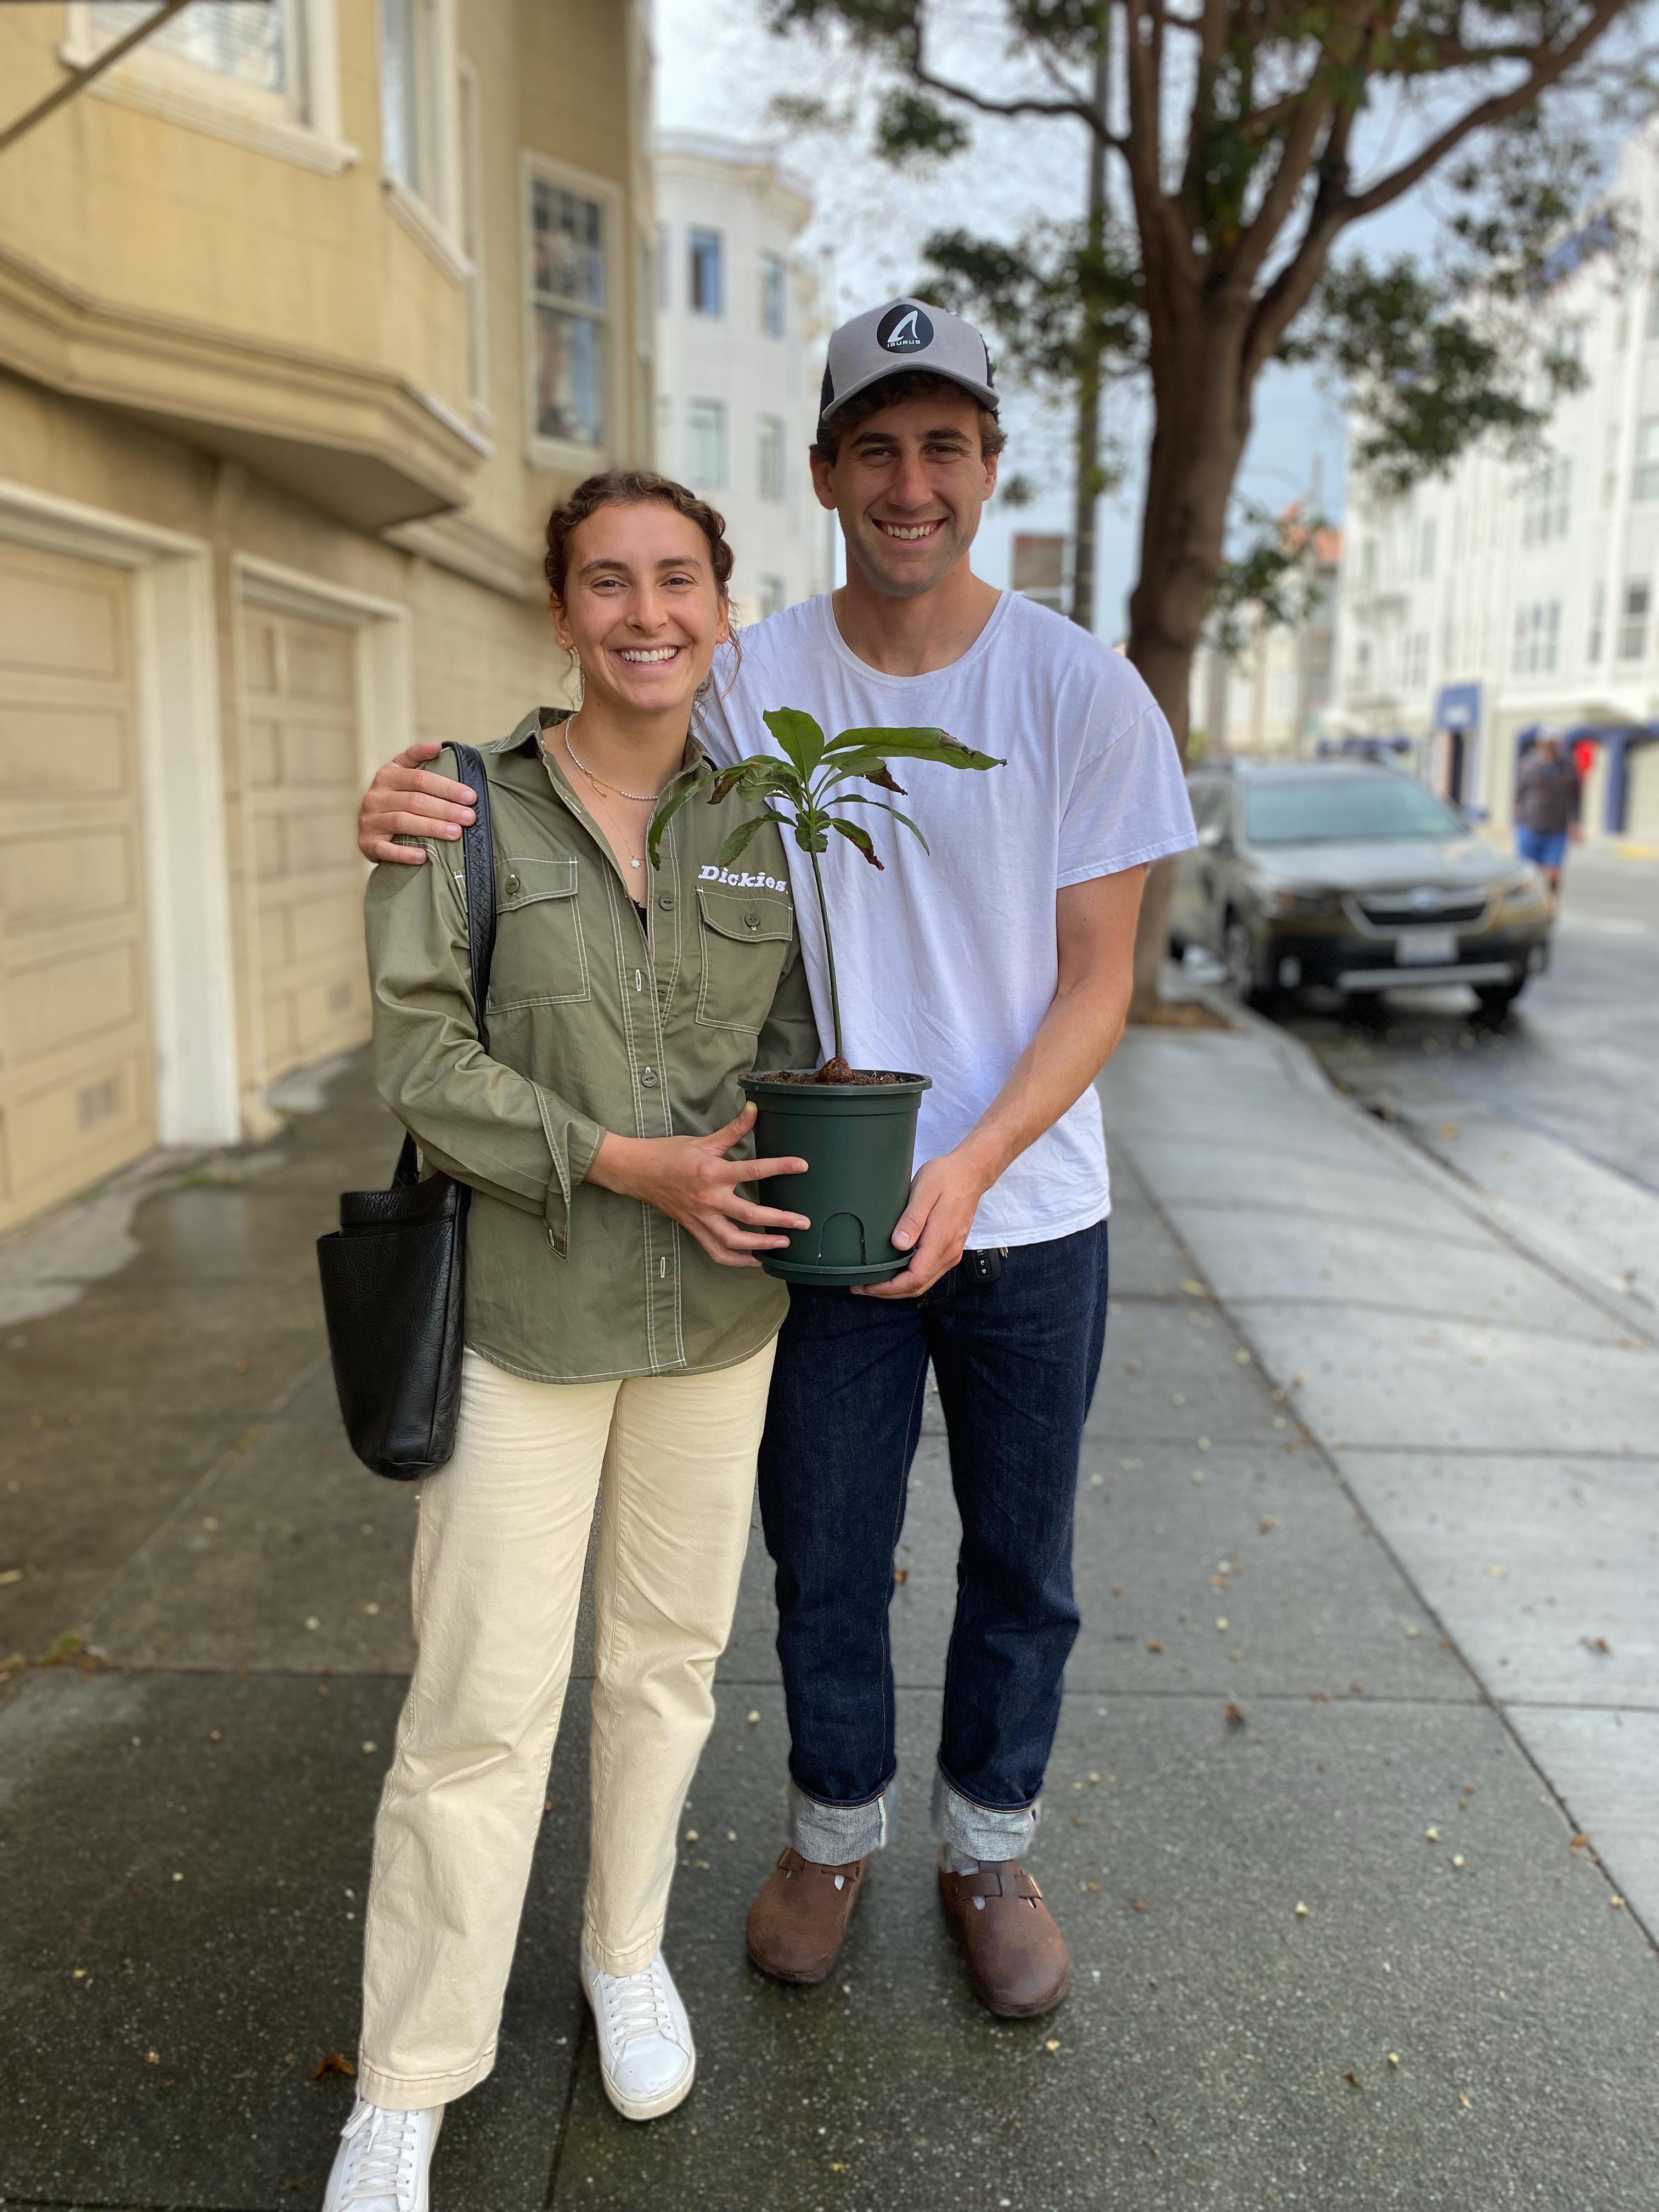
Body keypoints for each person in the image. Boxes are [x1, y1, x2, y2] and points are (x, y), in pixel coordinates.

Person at [355, 298, 1197, 2027]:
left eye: (941, 446)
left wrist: (970, 1164)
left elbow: (1101, 981)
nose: (910, 483)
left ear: (985, 466)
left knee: (1022, 1562)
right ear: (823, 474)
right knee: (825, 1550)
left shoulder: (1077, 691)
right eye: (874, 449)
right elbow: (599, 747)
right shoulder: (750, 679)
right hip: (812, 1203)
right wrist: (417, 798)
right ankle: (832, 1830)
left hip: (1029, 1208)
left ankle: (988, 1843)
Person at [323, 473, 820, 2209]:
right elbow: (421, 1065)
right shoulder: (457, 808)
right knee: (479, 1705)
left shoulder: (767, 819)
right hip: (526, 1318)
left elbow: (808, 1052)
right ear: (560, 612)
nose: (645, 613)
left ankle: (624, 1956)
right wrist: (630, 1165)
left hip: (719, 1319)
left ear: (721, 603)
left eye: (677, 579)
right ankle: (411, 2073)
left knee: (666, 1667)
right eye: (606, 582)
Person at [1514, 729, 1582, 905]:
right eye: (1546, 743)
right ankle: (1529, 904)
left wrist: (1576, 823)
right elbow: (1518, 795)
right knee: (1529, 872)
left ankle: (1552, 900)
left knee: (1554, 871)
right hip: (1530, 825)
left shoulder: (1567, 767)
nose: (1550, 747)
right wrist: (1517, 821)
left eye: (1553, 744)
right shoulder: (1528, 765)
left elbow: (1575, 798)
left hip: (1556, 827)